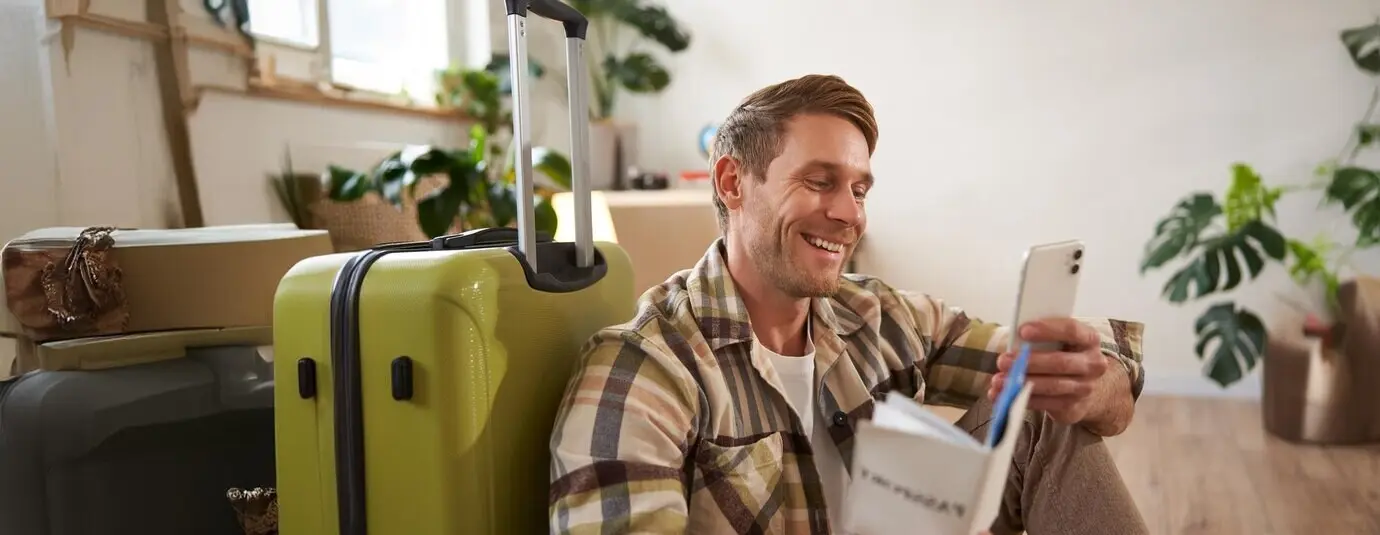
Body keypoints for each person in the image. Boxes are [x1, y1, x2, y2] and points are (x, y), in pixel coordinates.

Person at [547, 74, 1150, 535]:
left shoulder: (879, 318)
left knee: (1042, 402)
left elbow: (1098, 372)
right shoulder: (641, 374)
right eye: (819, 181)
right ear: (733, 182)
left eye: (859, 189)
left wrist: (1089, 382)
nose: (849, 213)